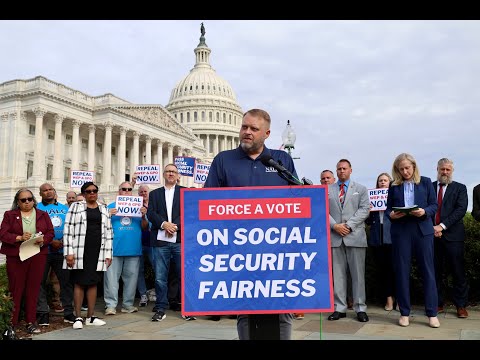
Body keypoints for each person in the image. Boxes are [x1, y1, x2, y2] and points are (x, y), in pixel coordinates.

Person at [204, 108, 297, 340]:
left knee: (282, 308)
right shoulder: (223, 160)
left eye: (253, 129)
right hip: (239, 251)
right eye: (244, 127)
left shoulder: (281, 159)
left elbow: (296, 199)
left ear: (266, 133)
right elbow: (207, 203)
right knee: (245, 309)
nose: (247, 132)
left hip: (277, 249)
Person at [385, 153, 440, 328]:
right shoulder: (394, 186)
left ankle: (432, 313)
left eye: (407, 168)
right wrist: (392, 215)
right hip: (401, 232)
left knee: (428, 272)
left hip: (423, 231)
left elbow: (434, 205)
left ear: (414, 167)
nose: (405, 171)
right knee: (401, 272)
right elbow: (387, 209)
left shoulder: (425, 182)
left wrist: (424, 212)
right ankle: (404, 313)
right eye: (401, 169)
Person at [0, 188, 54, 334]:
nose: (27, 202)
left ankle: (31, 321)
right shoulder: (10, 215)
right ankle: (12, 323)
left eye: (30, 199)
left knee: (33, 289)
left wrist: (43, 240)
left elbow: (50, 232)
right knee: (16, 289)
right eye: (23, 200)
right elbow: (3, 234)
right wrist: (19, 237)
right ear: (18, 202)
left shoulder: (43, 214)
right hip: (16, 256)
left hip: (37, 255)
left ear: (33, 200)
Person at [148, 164, 196, 322]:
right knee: (160, 277)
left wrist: (175, 227)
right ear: (164, 174)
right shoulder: (155, 194)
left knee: (184, 275)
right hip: (161, 241)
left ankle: (186, 308)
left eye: (173, 172)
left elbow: (189, 212)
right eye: (168, 171)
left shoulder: (185, 192)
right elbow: (151, 213)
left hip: (179, 239)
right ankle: (161, 308)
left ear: (178, 176)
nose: (170, 174)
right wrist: (164, 224)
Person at [63, 182, 113, 329]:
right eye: (88, 191)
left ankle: (91, 316)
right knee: (79, 282)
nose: (92, 193)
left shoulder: (103, 208)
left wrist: (109, 253)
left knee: (93, 282)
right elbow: (68, 229)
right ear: (84, 193)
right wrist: (69, 253)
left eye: (94, 191)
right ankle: (78, 317)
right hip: (79, 250)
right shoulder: (76, 207)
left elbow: (109, 232)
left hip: (98, 250)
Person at [327, 159, 370, 323]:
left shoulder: (361, 189)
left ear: (351, 170)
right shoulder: (328, 190)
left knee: (358, 275)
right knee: (337, 275)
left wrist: (349, 226)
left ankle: (360, 308)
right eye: (339, 169)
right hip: (335, 236)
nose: (341, 171)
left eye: (344, 168)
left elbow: (365, 209)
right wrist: (335, 226)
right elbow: (322, 209)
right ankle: (340, 308)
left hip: (355, 237)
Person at [432, 158, 469, 318]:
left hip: (453, 237)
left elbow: (460, 210)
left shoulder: (460, 188)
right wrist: (433, 228)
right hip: (432, 236)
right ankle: (438, 303)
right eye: (442, 169)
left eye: (448, 169)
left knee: (457, 271)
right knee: (435, 271)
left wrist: (442, 226)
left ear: (452, 171)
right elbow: (425, 210)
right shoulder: (430, 187)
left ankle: (460, 305)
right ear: (437, 169)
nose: (445, 172)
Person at [36, 183, 75, 327]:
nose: (48, 192)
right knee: (40, 282)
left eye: (50, 189)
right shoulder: (37, 209)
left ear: (55, 192)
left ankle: (69, 313)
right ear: (40, 194)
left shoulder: (65, 209)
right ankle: (43, 313)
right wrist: (51, 241)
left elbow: (71, 227)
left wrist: (64, 241)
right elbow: (34, 230)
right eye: (45, 190)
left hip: (62, 251)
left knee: (65, 282)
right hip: (44, 251)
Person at [104, 181, 146, 315]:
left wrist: (144, 216)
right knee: (111, 280)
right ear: (119, 191)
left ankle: (127, 305)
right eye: (124, 189)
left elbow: (145, 227)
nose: (127, 191)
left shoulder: (139, 207)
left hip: (133, 249)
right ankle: (110, 305)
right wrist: (107, 215)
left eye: (129, 189)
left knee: (131, 280)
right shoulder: (110, 207)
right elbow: (100, 226)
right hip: (113, 250)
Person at [366, 173, 396, 311]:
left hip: (393, 238)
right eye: (380, 181)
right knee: (383, 271)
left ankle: (400, 299)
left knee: (396, 270)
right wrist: (368, 209)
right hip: (377, 239)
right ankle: (388, 299)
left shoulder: (396, 196)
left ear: (390, 182)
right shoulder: (372, 198)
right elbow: (367, 221)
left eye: (385, 180)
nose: (383, 183)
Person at [136, 184, 154, 307]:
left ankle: (157, 292)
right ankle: (143, 294)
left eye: (145, 191)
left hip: (153, 243)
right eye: (141, 192)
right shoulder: (134, 206)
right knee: (139, 270)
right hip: (138, 242)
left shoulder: (154, 205)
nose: (143, 193)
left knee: (157, 269)